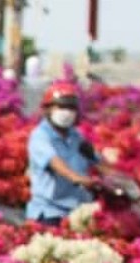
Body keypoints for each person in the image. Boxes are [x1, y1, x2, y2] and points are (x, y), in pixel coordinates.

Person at [26, 81, 99, 225]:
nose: (67, 112)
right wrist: (77, 178)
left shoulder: (76, 136)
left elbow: (96, 159)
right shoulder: (40, 136)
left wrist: (119, 178)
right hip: (50, 211)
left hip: (77, 209)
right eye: (61, 106)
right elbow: (54, 162)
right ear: (48, 109)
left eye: (71, 107)